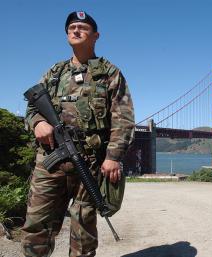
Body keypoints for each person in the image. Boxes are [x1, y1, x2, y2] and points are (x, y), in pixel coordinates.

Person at [22, 11, 135, 256]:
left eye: (82, 27)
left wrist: (113, 156)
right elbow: (32, 107)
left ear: (96, 35)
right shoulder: (54, 72)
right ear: (66, 35)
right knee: (37, 225)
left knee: (83, 228)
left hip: (90, 161)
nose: (76, 30)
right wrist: (37, 123)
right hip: (50, 161)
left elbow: (123, 118)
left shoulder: (109, 73)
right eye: (72, 27)